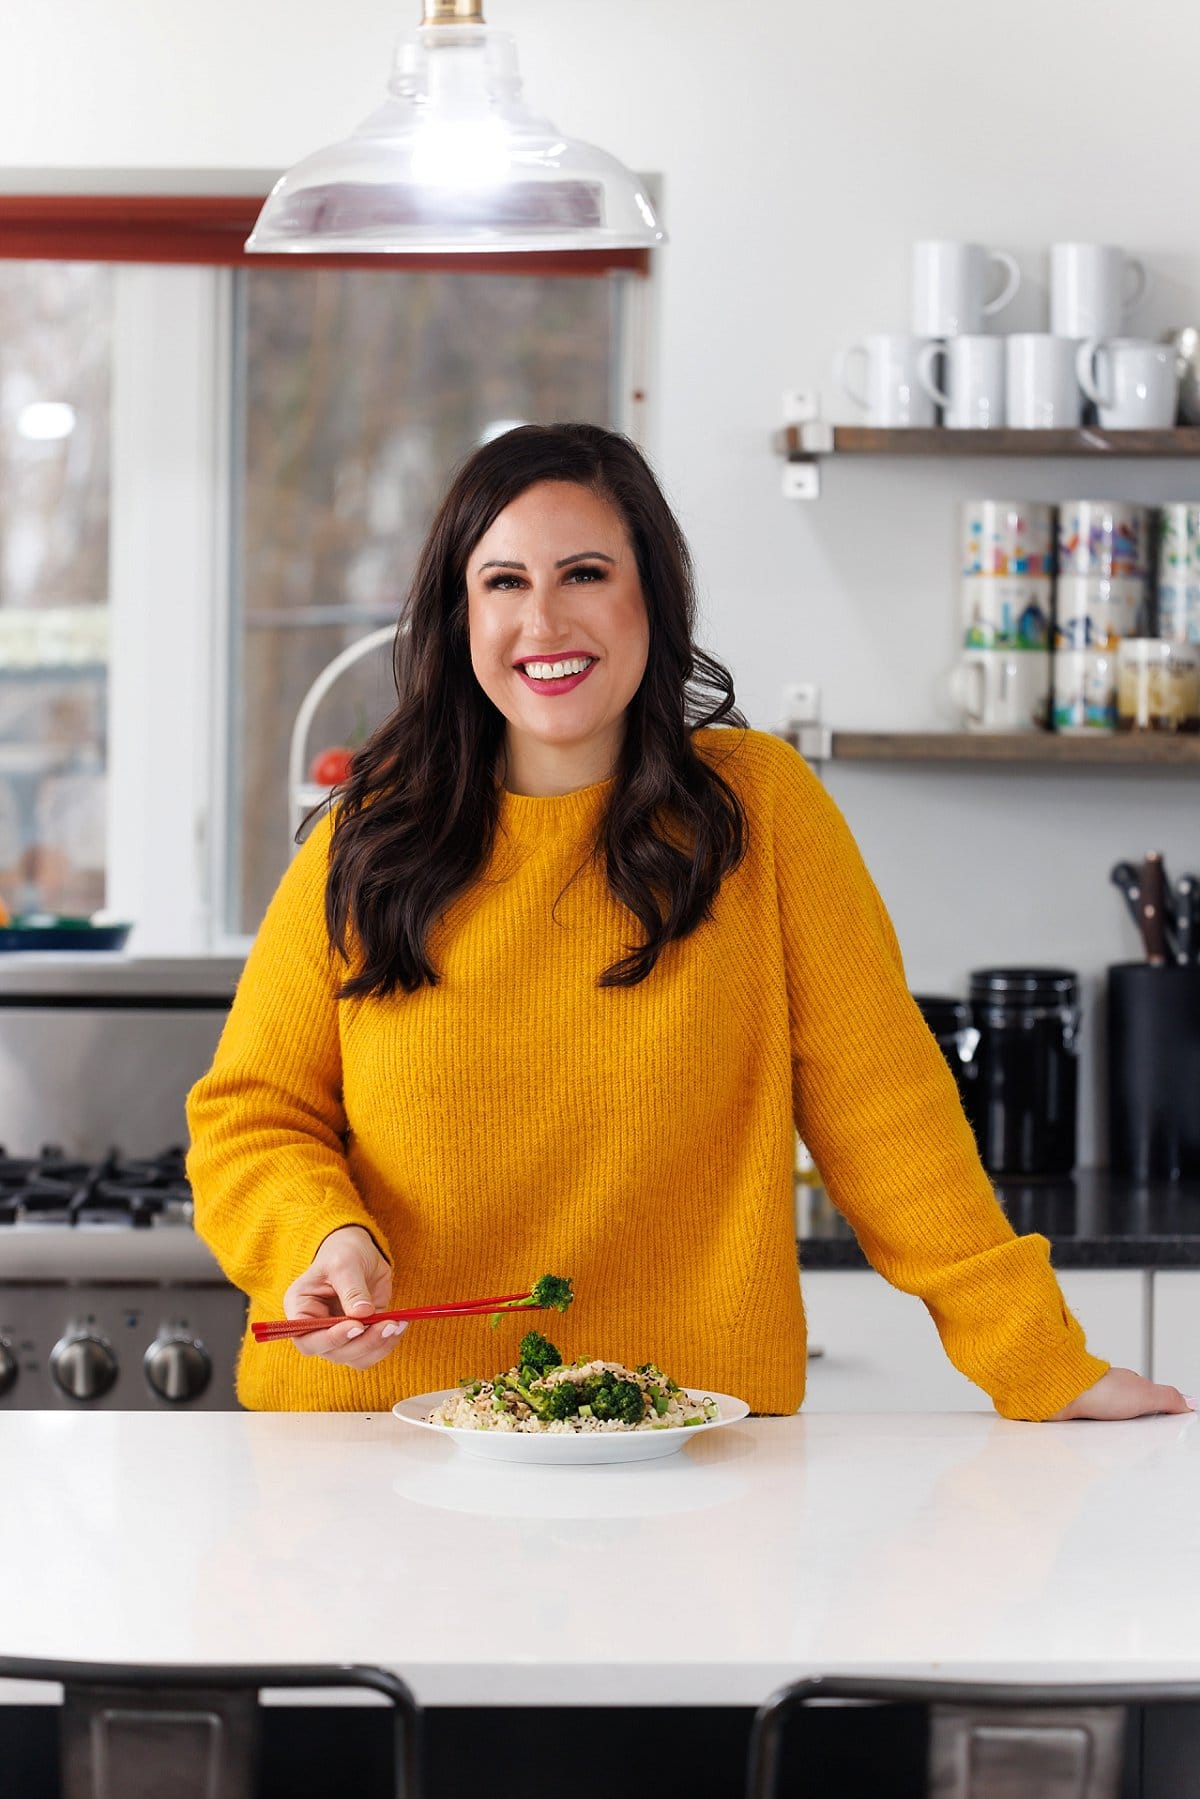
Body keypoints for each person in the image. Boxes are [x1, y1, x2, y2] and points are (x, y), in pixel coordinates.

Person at [186, 422, 1189, 1423]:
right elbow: (250, 1118)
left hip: (683, 1448)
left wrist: (1041, 1360)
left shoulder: (759, 812)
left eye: (584, 573)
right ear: (458, 616)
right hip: (372, 1448)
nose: (543, 619)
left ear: (653, 600)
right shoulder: (370, 837)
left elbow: (890, 1112)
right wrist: (318, 1238)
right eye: (502, 582)